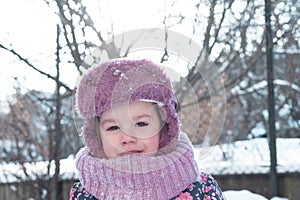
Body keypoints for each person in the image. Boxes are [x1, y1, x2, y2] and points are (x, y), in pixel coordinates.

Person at [70, 58, 226, 200]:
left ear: (165, 129)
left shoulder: (201, 189)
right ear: (96, 137)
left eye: (141, 124)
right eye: (113, 127)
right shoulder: (83, 195)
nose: (128, 137)